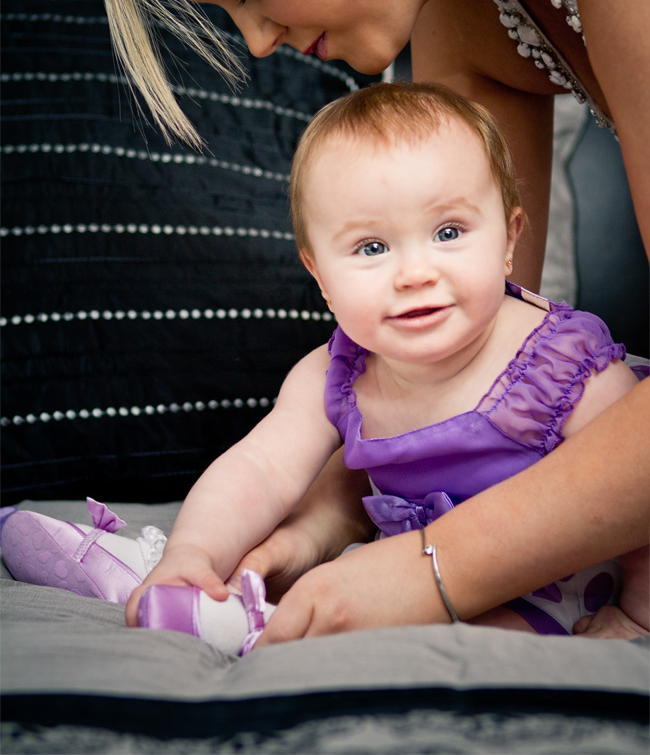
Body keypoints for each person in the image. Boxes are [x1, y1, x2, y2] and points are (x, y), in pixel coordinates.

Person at [72, 0, 650, 640]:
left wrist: (430, 569)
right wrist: (325, 521)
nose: (259, 41)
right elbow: (465, 369)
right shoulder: (461, 2)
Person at [4, 83, 646, 646]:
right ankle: (184, 586)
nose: (415, 273)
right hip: (402, 574)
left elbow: (636, 485)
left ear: (509, 239)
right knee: (317, 585)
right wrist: (191, 553)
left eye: (449, 232)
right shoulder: (334, 374)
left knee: (434, 639)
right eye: (371, 246)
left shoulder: (562, 366)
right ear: (320, 276)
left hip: (558, 585)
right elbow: (256, 470)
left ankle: (247, 632)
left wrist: (637, 616)